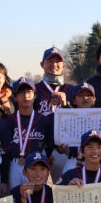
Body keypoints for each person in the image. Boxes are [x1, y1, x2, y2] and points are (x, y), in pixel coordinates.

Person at [34, 46, 76, 182]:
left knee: (65, 191)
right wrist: (47, 150)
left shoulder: (72, 90)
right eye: (49, 61)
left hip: (65, 149)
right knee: (39, 191)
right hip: (41, 148)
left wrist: (66, 105)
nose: (54, 65)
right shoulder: (34, 90)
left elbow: (78, 121)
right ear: (42, 65)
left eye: (58, 62)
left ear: (63, 65)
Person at [5, 78, 55, 190]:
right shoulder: (9, 121)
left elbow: (49, 145)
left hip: (36, 165)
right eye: (21, 93)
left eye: (29, 92)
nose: (26, 95)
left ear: (35, 95)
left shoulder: (43, 120)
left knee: (35, 197)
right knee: (15, 197)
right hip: (15, 164)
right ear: (14, 97)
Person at [59, 82, 98, 175]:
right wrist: (61, 149)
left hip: (93, 161)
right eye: (80, 95)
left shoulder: (100, 118)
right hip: (72, 160)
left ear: (94, 99)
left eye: (88, 95)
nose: (85, 98)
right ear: (74, 100)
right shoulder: (66, 118)